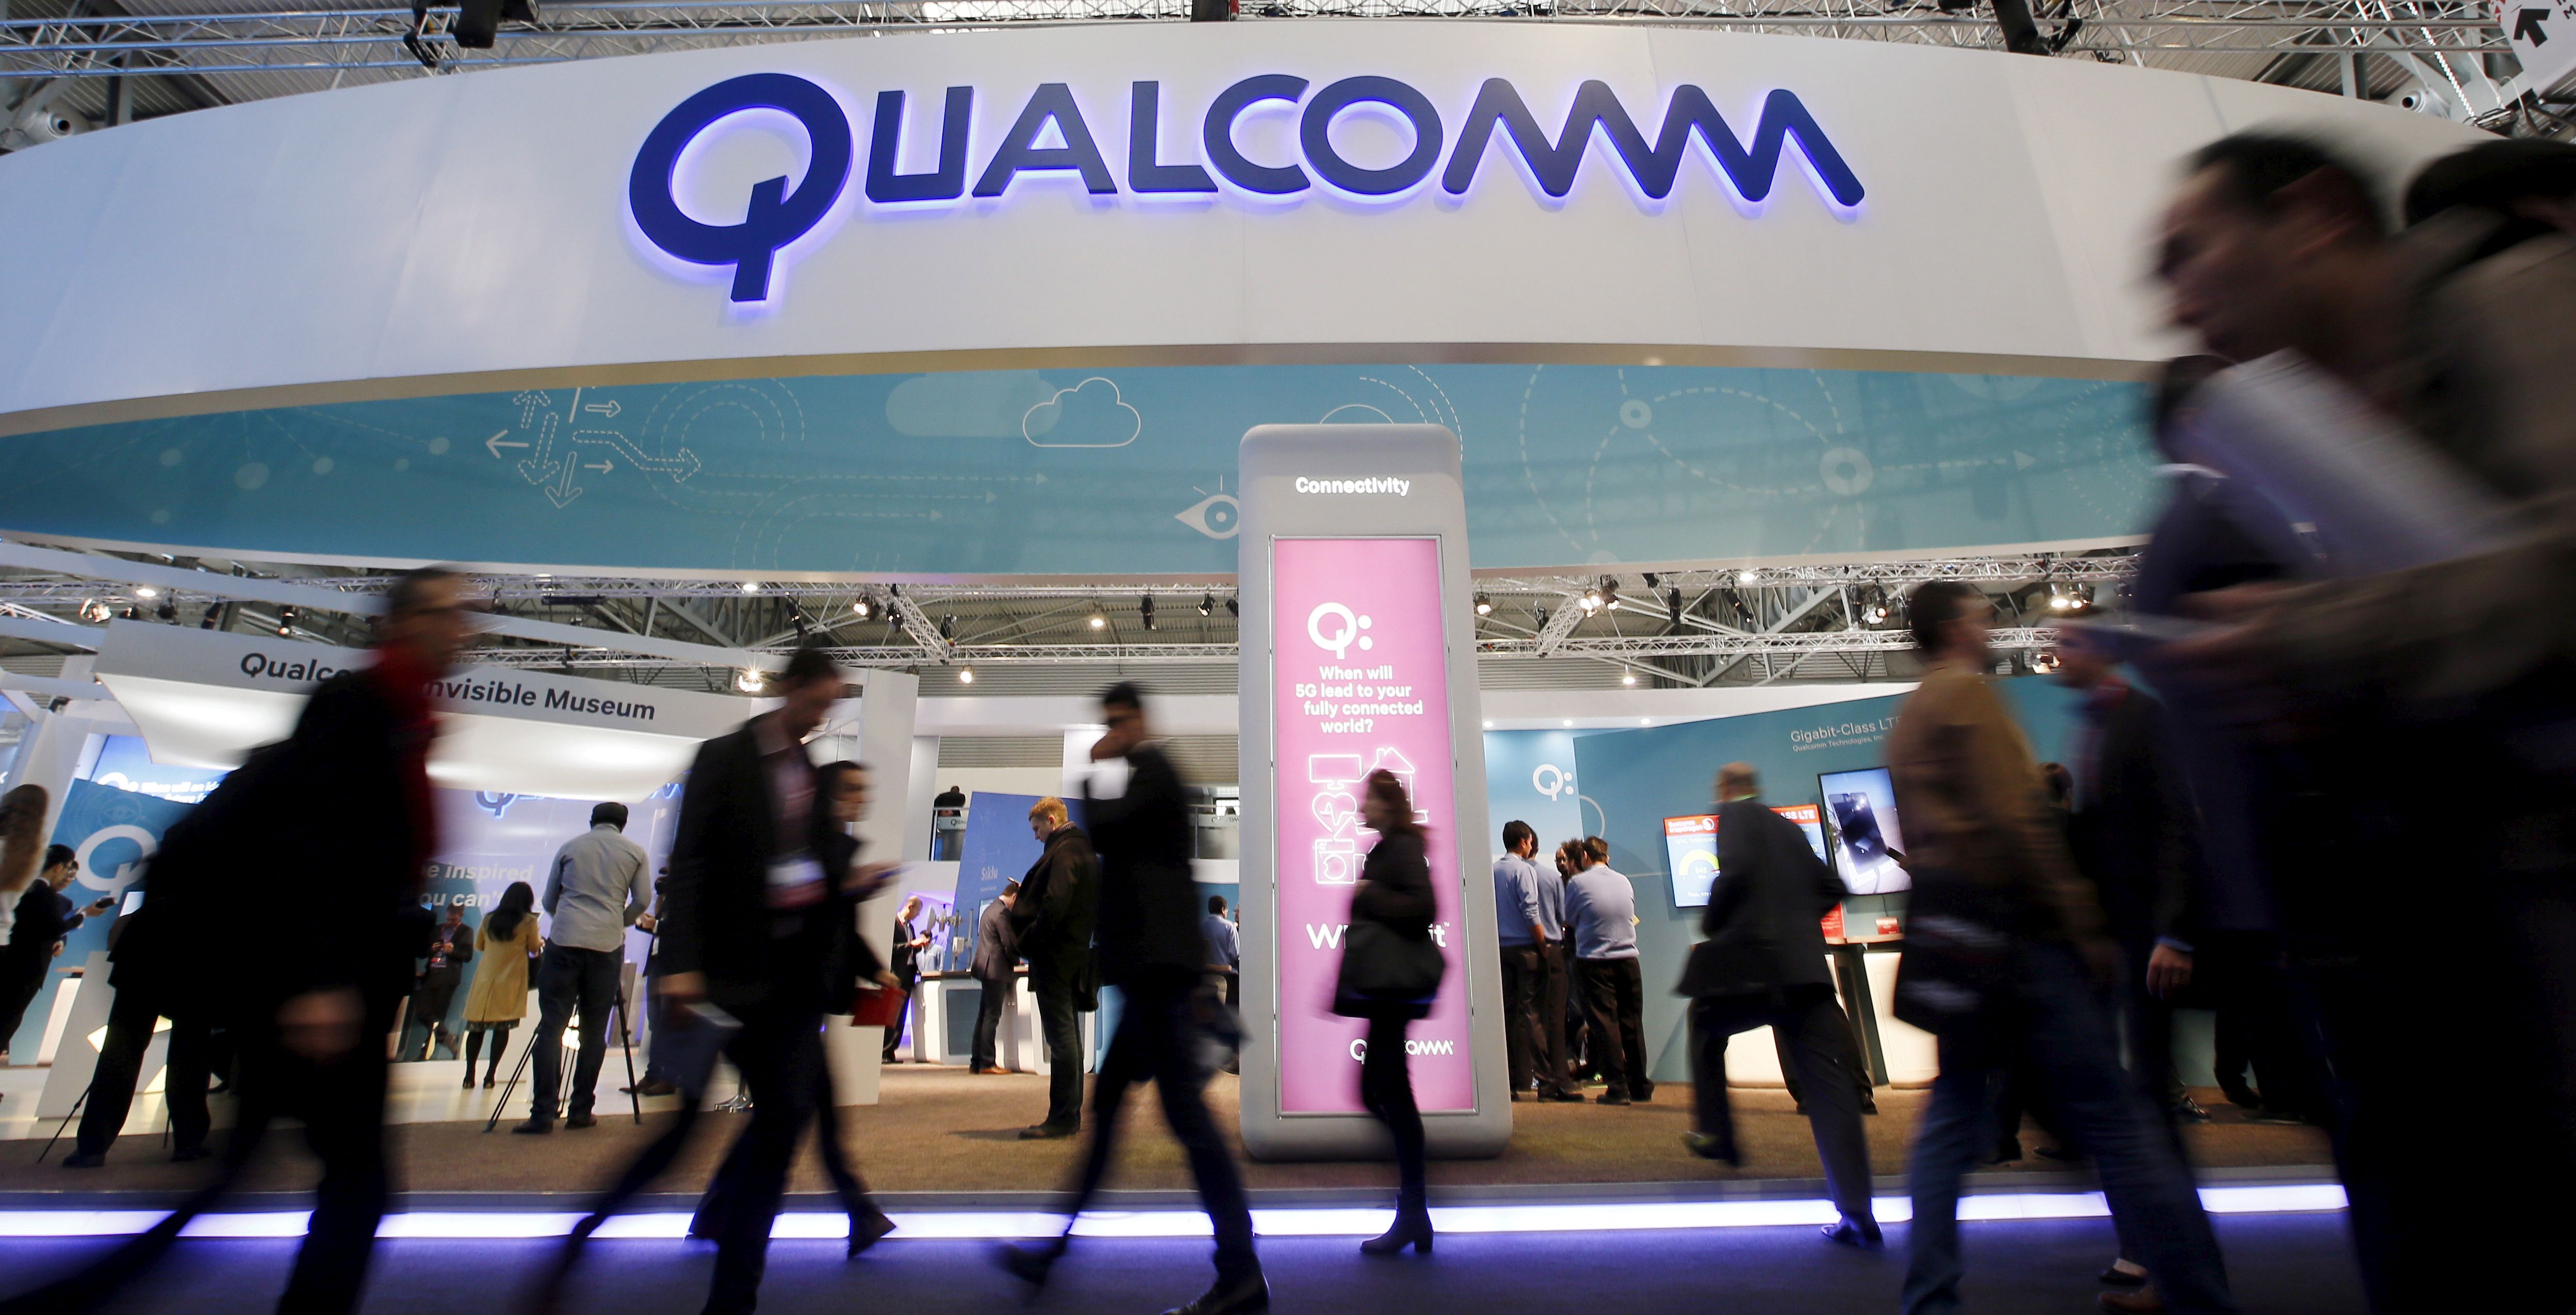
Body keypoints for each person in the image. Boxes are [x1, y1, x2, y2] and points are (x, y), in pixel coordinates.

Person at [0, 566, 477, 1315]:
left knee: (257, 1181)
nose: (466, 628)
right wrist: (322, 978)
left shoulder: (405, 712)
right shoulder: (361, 704)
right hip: (316, 985)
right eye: (451, 613)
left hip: (329, 980)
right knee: (349, 1186)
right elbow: (314, 844)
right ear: (405, 620)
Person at [1888, 580, 2236, 1315]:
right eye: (1982, 616)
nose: (1992, 627)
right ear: (1956, 628)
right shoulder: (1968, 697)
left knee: (1950, 1122)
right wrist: (2081, 924)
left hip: (1956, 947)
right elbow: (2020, 823)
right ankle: (2202, 1297)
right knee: (2118, 1117)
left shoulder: (1911, 712)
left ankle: (1928, 1297)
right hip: (2022, 942)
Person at [1000, 682, 1264, 1315]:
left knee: (1187, 1126)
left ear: (1138, 720)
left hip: (1161, 980)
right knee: (1118, 1116)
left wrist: (1092, 773)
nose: (1108, 731)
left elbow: (1112, 832)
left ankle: (1240, 1271)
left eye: (1117, 721)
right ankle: (1053, 1251)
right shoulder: (1150, 775)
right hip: (1154, 979)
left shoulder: (1154, 772)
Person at [653, 648, 887, 1313]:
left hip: (790, 991)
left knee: (788, 1115)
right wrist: (681, 964)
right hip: (735, 981)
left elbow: (812, 898)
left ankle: (736, 1280)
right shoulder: (733, 761)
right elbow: (696, 869)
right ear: (788, 690)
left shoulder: (805, 780)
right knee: (718, 1128)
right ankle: (599, 1231)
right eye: (817, 702)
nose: (821, 716)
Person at [684, 759, 899, 1262]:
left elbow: (838, 926)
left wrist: (874, 968)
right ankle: (852, 1213)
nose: (859, 798)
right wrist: (848, 886)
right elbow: (801, 910)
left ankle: (722, 1211)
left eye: (863, 789)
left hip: (801, 1003)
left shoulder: (833, 850)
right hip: (784, 1004)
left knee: (801, 1114)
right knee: (796, 1114)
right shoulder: (811, 848)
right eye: (850, 789)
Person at [1677, 763, 1878, 1248]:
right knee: (1833, 1095)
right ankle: (1858, 1215)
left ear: (1727, 789)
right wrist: (1799, 930)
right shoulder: (1789, 829)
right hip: (1806, 973)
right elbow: (1833, 887)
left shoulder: (1735, 814)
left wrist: (1715, 922)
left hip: (1757, 971)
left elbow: (1737, 872)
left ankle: (1717, 1135)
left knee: (1704, 1023)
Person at [1343, 768, 1439, 1257]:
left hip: (1392, 988)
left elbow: (1425, 908)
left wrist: (1369, 896)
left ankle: (1416, 1201)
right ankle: (1415, 1202)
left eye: (1369, 801)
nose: (1363, 808)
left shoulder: (1400, 847)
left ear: (1387, 803)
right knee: (1379, 1090)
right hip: (1384, 990)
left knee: (1387, 1092)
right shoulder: (1389, 847)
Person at [516, 801, 650, 1135]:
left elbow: (549, 900)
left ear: (592, 821)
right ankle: (581, 1110)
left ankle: (543, 1113)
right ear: (623, 824)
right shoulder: (635, 853)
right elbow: (643, 900)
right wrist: (617, 921)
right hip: (606, 947)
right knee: (593, 1030)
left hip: (564, 942)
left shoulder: (571, 847)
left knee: (551, 1027)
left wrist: (567, 919)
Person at [66, 885, 216, 1168]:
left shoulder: (162, 893)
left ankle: (92, 1147)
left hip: (143, 953)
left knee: (121, 1051)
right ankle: (189, 1142)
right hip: (196, 957)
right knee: (190, 1054)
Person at [1010, 795, 1099, 1139]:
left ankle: (1063, 1118)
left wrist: (1030, 941)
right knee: (1069, 1040)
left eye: (1036, 829)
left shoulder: (1064, 852)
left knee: (1062, 1040)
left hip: (1055, 958)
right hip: (1073, 955)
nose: (1035, 836)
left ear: (1051, 820)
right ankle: (1067, 1115)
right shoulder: (1083, 851)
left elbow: (1055, 902)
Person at [0, 846, 111, 1055]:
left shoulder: (26, 889)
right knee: (7, 1020)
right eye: (68, 870)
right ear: (59, 867)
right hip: (26, 967)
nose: (68, 877)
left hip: (17, 962)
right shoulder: (43, 893)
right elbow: (54, 927)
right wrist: (84, 915)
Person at [1563, 837, 1649, 1105]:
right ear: (1607, 858)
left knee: (1605, 1023)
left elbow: (1569, 918)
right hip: (1629, 958)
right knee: (1632, 1021)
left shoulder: (1578, 883)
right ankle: (1640, 1085)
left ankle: (1618, 1088)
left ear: (1585, 857)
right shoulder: (1624, 880)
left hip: (1594, 960)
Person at [461, 880, 540, 1090]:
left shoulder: (488, 919)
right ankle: (490, 1076)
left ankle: (469, 1075)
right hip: (511, 982)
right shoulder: (529, 921)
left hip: (485, 982)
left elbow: (479, 946)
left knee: (476, 1028)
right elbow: (534, 948)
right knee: (502, 1029)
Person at [1490, 820, 1549, 1101]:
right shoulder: (1524, 870)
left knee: (1508, 1016)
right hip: (1526, 951)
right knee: (1532, 1015)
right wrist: (1543, 944)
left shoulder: (1493, 870)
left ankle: (1510, 1083)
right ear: (1525, 841)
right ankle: (1545, 1081)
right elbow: (1530, 910)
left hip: (1500, 951)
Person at [399, 901, 474, 1063]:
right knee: (423, 1012)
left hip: (448, 976)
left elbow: (468, 956)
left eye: (454, 919)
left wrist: (452, 951)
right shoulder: (437, 929)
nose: (450, 921)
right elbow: (423, 951)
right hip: (431, 973)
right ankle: (448, 1038)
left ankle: (426, 1051)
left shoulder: (466, 931)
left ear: (460, 916)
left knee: (439, 1015)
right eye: (448, 918)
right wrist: (431, 949)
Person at [1551, 840, 1596, 1088]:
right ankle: (1571, 1060)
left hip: (1589, 951)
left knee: (1587, 1009)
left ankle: (1593, 1063)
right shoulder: (1558, 884)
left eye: (1564, 859)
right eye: (1558, 860)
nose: (1561, 864)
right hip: (1568, 952)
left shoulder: (1583, 883)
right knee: (1572, 1008)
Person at [970, 881, 1022, 1074]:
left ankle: (976, 1062)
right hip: (997, 970)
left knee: (983, 1016)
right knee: (992, 1016)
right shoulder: (1002, 913)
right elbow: (1008, 943)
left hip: (986, 969)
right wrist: (1018, 960)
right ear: (1015, 897)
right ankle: (987, 1063)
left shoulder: (990, 909)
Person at [883, 895, 927, 1062]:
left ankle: (891, 1050)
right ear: (910, 907)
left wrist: (920, 946)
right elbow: (890, 948)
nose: (918, 915)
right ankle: (884, 1051)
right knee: (891, 1014)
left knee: (901, 1016)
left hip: (908, 976)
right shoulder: (893, 924)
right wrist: (911, 945)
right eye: (918, 911)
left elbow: (910, 951)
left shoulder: (911, 927)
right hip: (895, 976)